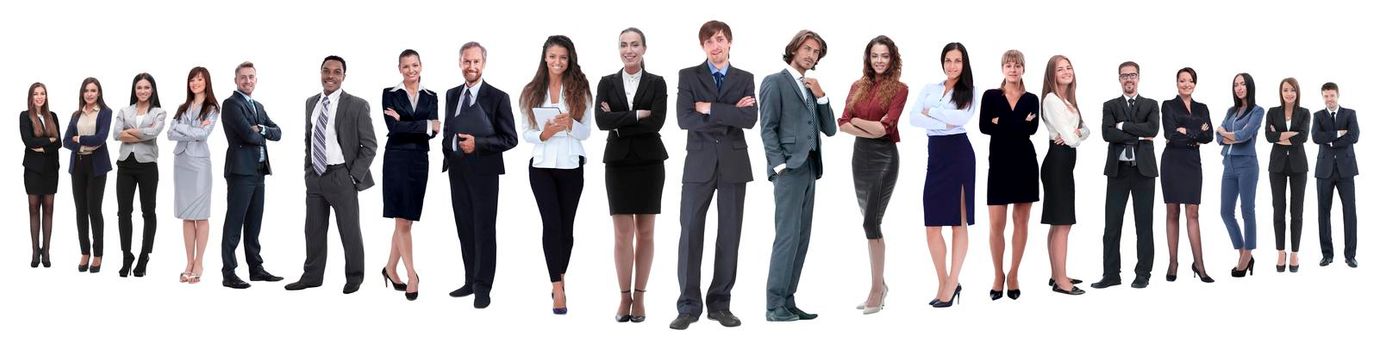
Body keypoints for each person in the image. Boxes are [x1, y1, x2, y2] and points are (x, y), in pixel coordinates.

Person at [669, 20, 758, 331]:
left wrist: (709, 108)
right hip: (698, 165)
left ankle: (720, 304)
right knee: (690, 233)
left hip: (734, 165)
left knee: (729, 235)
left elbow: (749, 119)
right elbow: (684, 119)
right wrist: (728, 111)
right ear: (702, 46)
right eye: (708, 42)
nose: (715, 46)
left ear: (729, 42)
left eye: (719, 39)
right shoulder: (688, 76)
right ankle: (688, 306)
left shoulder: (745, 78)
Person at [760, 29, 837, 321]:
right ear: (794, 49)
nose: (810, 55)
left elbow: (829, 129)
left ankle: (788, 301)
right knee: (786, 237)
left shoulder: (811, 86)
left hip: (810, 169)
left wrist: (821, 96)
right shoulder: (774, 82)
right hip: (789, 170)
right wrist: (779, 166)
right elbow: (767, 127)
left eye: (816, 52)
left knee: (801, 238)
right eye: (807, 48)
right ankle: (773, 305)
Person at [286, 55, 378, 294]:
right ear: (320, 73)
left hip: (342, 176)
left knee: (349, 230)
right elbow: (309, 138)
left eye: (337, 72)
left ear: (343, 77)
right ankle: (312, 277)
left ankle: (355, 277)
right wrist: (308, 170)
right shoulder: (310, 103)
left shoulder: (357, 105)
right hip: (315, 177)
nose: (331, 76)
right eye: (326, 71)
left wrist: (352, 176)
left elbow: (369, 146)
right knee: (313, 230)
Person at [594, 27, 668, 323]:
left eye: (635, 44)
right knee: (622, 234)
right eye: (624, 45)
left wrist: (619, 120)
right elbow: (601, 121)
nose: (629, 50)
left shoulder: (657, 82)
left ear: (644, 48)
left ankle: (640, 296)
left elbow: (658, 122)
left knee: (646, 232)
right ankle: (624, 297)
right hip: (618, 163)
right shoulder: (606, 82)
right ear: (619, 49)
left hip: (650, 162)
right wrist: (640, 114)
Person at [519, 35, 592, 314]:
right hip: (541, 167)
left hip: (572, 165)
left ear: (569, 58)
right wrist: (544, 133)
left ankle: (559, 276)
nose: (557, 62)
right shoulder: (531, 90)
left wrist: (570, 124)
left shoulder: (580, 89)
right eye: (552, 56)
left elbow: (587, 132)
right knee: (551, 225)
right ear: (545, 58)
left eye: (563, 57)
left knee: (566, 229)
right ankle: (558, 288)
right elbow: (525, 131)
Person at [444, 41, 519, 309]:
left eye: (476, 62)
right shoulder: (452, 94)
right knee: (464, 227)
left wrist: (479, 144)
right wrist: (449, 148)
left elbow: (510, 138)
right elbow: (448, 129)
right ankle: (469, 280)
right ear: (460, 62)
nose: (471, 67)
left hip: (485, 172)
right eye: (466, 61)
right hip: (457, 170)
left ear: (483, 64)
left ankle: (483, 287)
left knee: (484, 229)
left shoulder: (498, 97)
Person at [839, 35, 906, 314]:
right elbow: (842, 123)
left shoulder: (899, 89)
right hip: (860, 159)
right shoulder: (857, 86)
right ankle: (881, 283)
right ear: (868, 58)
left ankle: (877, 289)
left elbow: (884, 130)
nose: (879, 61)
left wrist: (857, 121)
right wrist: (860, 124)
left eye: (885, 56)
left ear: (892, 59)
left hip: (884, 159)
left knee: (871, 223)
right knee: (869, 221)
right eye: (875, 55)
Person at [909, 42, 977, 308]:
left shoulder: (969, 90)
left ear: (964, 63)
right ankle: (944, 280)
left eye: (957, 60)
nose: (952, 65)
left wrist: (933, 112)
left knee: (958, 223)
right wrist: (943, 119)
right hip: (935, 155)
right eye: (948, 60)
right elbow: (914, 118)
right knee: (932, 226)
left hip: (959, 154)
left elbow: (961, 120)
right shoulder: (930, 88)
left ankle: (951, 284)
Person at [977, 50, 1039, 300]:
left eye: (1017, 65)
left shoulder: (1032, 98)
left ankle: (1013, 274)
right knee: (996, 224)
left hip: (1025, 163)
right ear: (1002, 68)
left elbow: (1031, 129)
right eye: (1009, 65)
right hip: (999, 165)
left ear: (1024, 69)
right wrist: (1017, 124)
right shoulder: (991, 96)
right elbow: (983, 126)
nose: (1013, 69)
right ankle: (997, 274)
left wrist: (999, 123)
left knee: (1021, 221)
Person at [1093, 61, 1159, 289]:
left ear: (1139, 77)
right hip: (1118, 172)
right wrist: (1136, 134)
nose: (1128, 79)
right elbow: (1106, 133)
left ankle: (1143, 274)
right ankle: (1111, 274)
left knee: (1144, 225)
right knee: (1111, 225)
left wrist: (1121, 126)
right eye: (1124, 76)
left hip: (1144, 172)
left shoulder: (1151, 104)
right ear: (1119, 79)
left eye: (1132, 75)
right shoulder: (1110, 105)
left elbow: (1152, 130)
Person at [380, 49, 439, 301]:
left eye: (415, 65)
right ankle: (412, 274)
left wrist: (407, 123)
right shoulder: (389, 94)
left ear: (421, 66)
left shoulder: (431, 96)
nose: (411, 70)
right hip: (396, 159)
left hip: (419, 161)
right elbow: (393, 129)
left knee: (407, 220)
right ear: (399, 69)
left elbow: (436, 131)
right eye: (406, 66)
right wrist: (424, 125)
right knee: (402, 221)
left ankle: (389, 268)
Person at [220, 62, 284, 288]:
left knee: (254, 223)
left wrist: (262, 129)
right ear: (236, 80)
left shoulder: (258, 105)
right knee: (234, 223)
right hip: (240, 172)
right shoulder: (230, 104)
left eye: (251, 77)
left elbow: (278, 132)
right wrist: (256, 130)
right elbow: (248, 135)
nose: (248, 81)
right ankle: (229, 273)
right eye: (243, 77)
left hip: (259, 171)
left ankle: (255, 269)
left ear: (256, 79)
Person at [1040, 55, 1091, 295]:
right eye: (1060, 69)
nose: (1066, 71)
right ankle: (1061, 281)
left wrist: (1076, 132)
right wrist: (1074, 134)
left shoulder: (1068, 100)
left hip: (1064, 163)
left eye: (1069, 67)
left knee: (1058, 222)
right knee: (1062, 222)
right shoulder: (1051, 99)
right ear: (1052, 74)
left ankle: (1056, 273)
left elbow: (1085, 130)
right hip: (1057, 163)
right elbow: (1070, 139)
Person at [1159, 67, 1215, 283]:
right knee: (1172, 211)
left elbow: (1209, 136)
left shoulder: (1202, 107)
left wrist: (1186, 130)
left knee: (1193, 213)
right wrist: (1195, 131)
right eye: (1182, 80)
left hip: (1192, 161)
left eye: (1190, 80)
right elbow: (1170, 134)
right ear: (1177, 83)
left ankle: (1199, 264)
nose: (1186, 84)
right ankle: (1173, 262)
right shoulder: (1168, 105)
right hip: (1172, 161)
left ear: (1195, 83)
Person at [168, 67, 219, 284]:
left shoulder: (212, 108)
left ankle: (200, 262)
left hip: (199, 164)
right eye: (192, 80)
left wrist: (184, 128)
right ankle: (188, 261)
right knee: (186, 215)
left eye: (199, 79)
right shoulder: (183, 107)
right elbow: (170, 133)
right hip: (181, 162)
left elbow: (204, 134)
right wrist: (193, 127)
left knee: (201, 214)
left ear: (206, 82)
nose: (195, 83)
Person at [112, 73, 166, 278]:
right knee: (123, 213)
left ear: (152, 89)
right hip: (125, 165)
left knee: (148, 212)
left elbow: (154, 134)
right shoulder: (124, 110)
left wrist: (131, 131)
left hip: (147, 167)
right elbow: (116, 134)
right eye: (139, 87)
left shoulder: (159, 112)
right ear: (134, 90)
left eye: (146, 87)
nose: (142, 91)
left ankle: (144, 256)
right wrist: (142, 131)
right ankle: (127, 256)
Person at [1216, 73, 1265, 277]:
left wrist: (1226, 132)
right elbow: (1217, 137)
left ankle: (1247, 255)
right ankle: (1242, 250)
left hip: (1247, 164)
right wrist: (1228, 136)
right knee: (1226, 212)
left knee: (1247, 210)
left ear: (1249, 86)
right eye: (1236, 84)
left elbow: (1245, 135)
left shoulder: (1258, 110)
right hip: (1228, 164)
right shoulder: (1231, 110)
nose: (1239, 87)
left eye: (1243, 84)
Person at [63, 77, 112, 273]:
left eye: (93, 90)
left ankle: (98, 253)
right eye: (86, 91)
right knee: (80, 210)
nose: (90, 94)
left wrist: (80, 139)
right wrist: (84, 143)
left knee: (94, 209)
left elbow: (101, 138)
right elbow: (66, 140)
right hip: (78, 165)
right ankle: (85, 251)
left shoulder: (105, 112)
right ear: (82, 93)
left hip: (96, 166)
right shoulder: (76, 115)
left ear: (99, 92)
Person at [1312, 82, 1359, 268]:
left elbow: (1354, 136)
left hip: (1346, 169)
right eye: (1326, 96)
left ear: (1337, 96)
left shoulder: (1350, 114)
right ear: (1322, 97)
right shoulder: (1318, 116)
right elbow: (1316, 137)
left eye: (1332, 95)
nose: (1329, 99)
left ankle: (1350, 255)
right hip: (1324, 170)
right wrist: (1339, 133)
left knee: (1350, 212)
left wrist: (1330, 140)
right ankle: (1327, 254)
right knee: (1323, 212)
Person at [1265, 78, 1309, 273]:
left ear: (1297, 92)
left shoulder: (1305, 112)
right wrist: (1291, 134)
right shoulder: (1272, 112)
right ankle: (1281, 251)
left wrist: (1280, 134)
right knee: (1278, 209)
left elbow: (1303, 137)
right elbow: (1268, 136)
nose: (1289, 93)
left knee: (1297, 211)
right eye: (1285, 90)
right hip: (1277, 166)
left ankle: (1294, 253)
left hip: (1299, 166)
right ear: (1280, 92)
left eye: (1292, 90)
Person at [20, 82, 61, 269]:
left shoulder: (52, 116)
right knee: (34, 208)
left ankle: (46, 252)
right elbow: (28, 141)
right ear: (31, 97)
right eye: (36, 93)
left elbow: (59, 142)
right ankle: (35, 251)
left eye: (42, 93)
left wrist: (41, 145)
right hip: (33, 170)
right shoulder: (25, 116)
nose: (39, 97)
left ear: (46, 96)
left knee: (49, 208)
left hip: (51, 170)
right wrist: (48, 142)